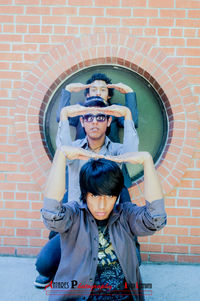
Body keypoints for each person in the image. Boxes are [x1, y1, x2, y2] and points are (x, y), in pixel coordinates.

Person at [34, 98, 140, 288]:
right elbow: (62, 149)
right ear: (82, 122)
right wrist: (65, 115)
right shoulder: (73, 149)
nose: (94, 122)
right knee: (44, 264)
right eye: (89, 117)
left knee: (133, 263)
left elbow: (132, 152)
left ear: (108, 122)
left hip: (109, 222)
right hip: (78, 221)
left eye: (101, 117)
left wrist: (127, 115)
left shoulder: (116, 150)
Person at [41, 146, 167, 300]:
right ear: (85, 195)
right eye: (94, 196)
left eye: (109, 196)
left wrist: (147, 161)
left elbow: (155, 219)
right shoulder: (74, 215)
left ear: (116, 196)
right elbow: (51, 214)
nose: (102, 205)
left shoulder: (125, 214)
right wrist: (61, 156)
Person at [57, 73, 139, 143]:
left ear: (109, 95)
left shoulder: (115, 109)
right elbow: (61, 118)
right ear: (87, 95)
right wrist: (68, 90)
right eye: (94, 90)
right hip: (82, 158)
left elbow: (132, 123)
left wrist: (129, 92)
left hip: (110, 159)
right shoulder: (80, 109)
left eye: (103, 90)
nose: (98, 93)